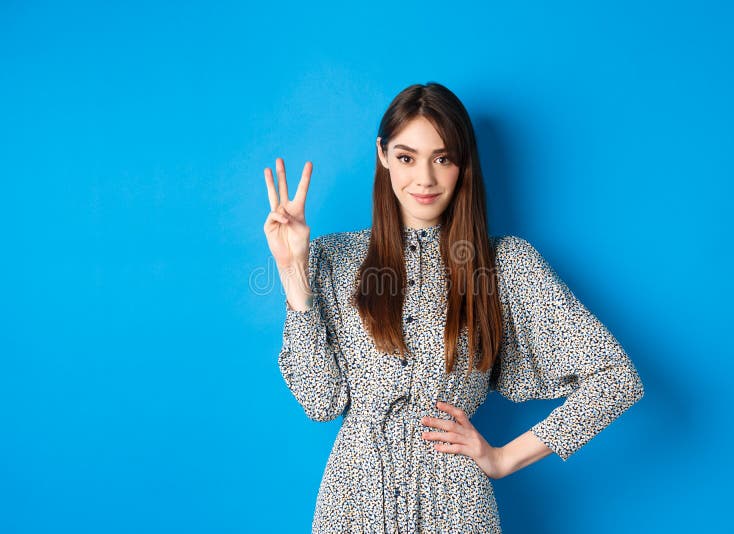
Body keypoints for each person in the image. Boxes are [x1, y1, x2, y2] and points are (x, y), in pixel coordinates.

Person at [263, 82, 644, 533]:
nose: (424, 179)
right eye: (407, 157)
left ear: (464, 163)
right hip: (353, 503)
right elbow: (321, 403)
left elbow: (618, 379)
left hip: (456, 508)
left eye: (442, 158)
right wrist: (293, 272)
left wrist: (503, 458)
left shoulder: (505, 265)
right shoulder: (332, 258)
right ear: (383, 155)